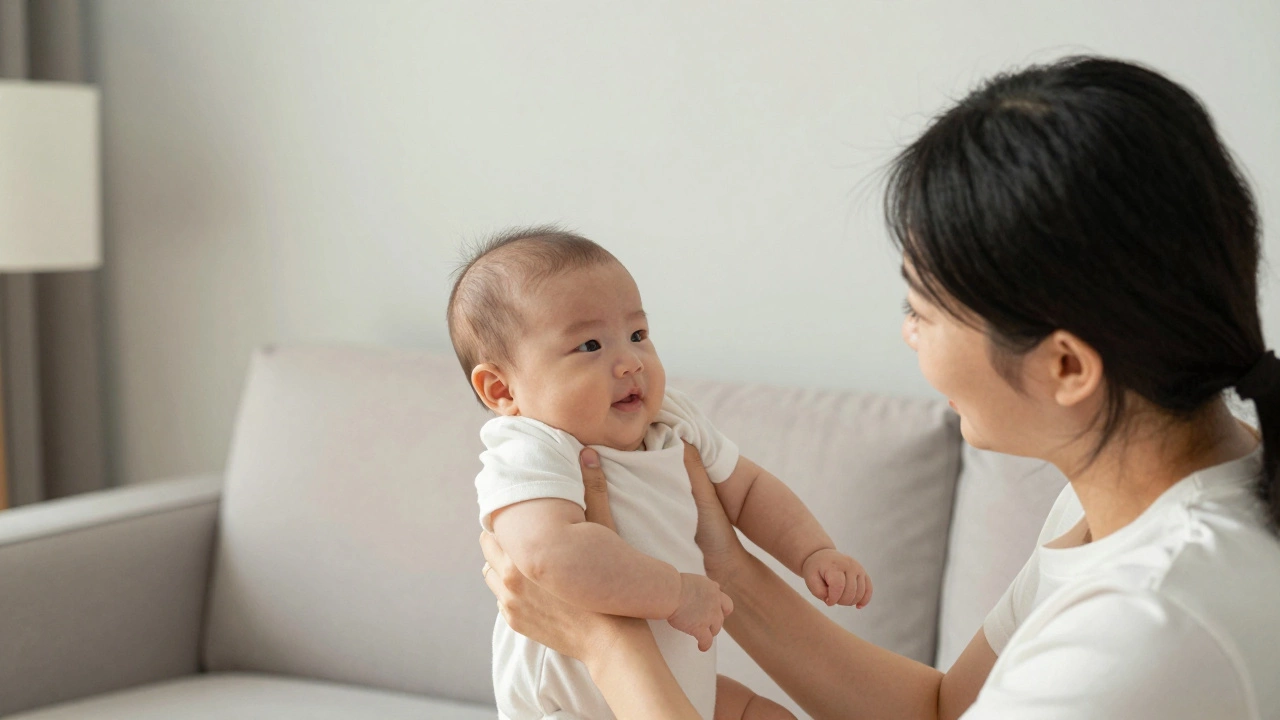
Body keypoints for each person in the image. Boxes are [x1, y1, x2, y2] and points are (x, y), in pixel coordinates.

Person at [479, 56, 1280, 719]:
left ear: (1067, 367)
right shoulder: (1123, 501)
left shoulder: (1152, 623)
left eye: (921, 308)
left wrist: (604, 642)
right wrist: (726, 568)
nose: (908, 334)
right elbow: (941, 713)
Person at [448, 228, 871, 720]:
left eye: (637, 334)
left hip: (673, 688)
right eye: (589, 345)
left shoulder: (671, 420)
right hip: (576, 703)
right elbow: (548, 554)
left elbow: (749, 488)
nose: (629, 362)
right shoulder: (531, 447)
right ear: (502, 390)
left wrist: (812, 551)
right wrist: (674, 592)